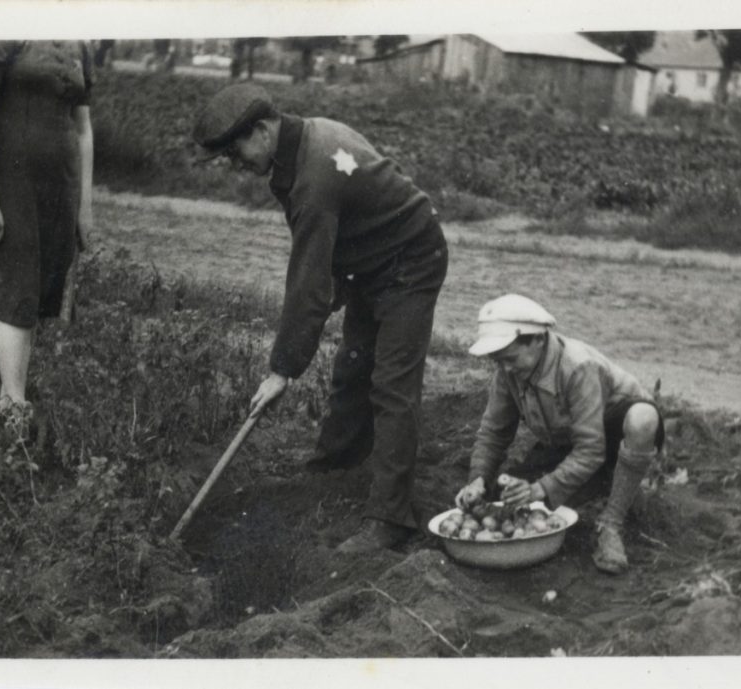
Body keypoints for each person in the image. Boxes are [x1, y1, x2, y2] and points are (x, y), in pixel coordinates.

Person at [193, 83, 448, 553]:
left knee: (392, 385)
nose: (235, 164)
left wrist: (282, 369)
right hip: (370, 258)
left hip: (410, 259)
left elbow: (308, 279)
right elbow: (324, 262)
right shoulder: (303, 140)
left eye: (235, 151)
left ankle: (391, 519)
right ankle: (335, 466)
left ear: (264, 130)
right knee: (353, 365)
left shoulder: (313, 174)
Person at [455, 294, 664, 574]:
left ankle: (611, 523)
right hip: (567, 443)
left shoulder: (578, 367)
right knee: (508, 500)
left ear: (538, 340)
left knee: (643, 419)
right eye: (498, 360)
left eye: (510, 358)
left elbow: (591, 449)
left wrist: (540, 489)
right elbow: (493, 433)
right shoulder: (509, 370)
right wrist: (477, 480)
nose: (505, 368)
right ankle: (605, 484)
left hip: (614, 434)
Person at [0, 41, 94, 419]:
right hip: (11, 182)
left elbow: (84, 129)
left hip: (58, 185)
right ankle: (13, 406)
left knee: (37, 291)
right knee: (17, 287)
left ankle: (14, 397)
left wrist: (84, 207)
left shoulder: (80, 41)